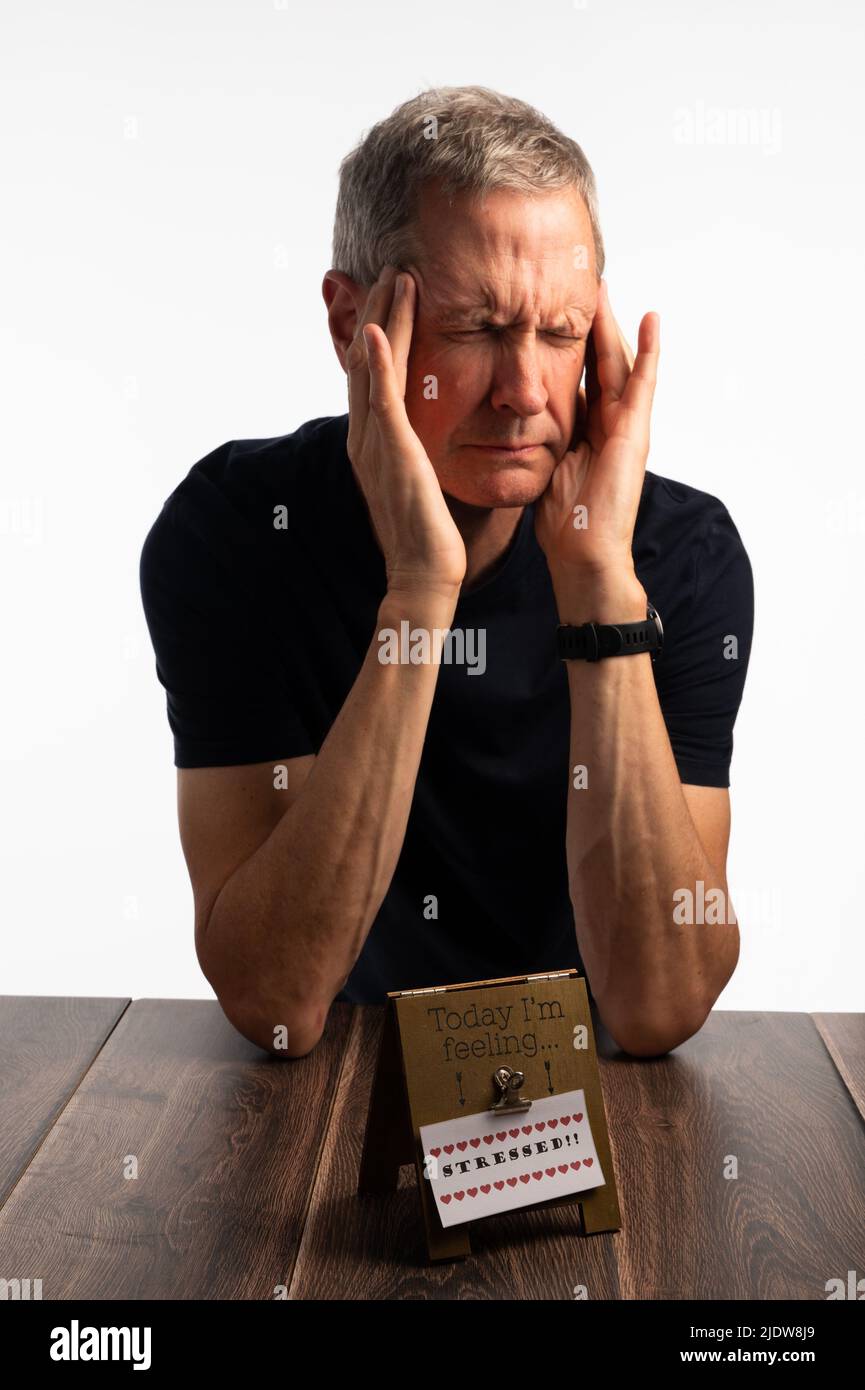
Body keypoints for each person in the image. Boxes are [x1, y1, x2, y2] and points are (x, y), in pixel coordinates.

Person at [139, 86, 753, 1060]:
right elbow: (275, 1000)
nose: (522, 395)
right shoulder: (233, 532)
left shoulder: (680, 554)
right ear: (352, 324)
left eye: (559, 334)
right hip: (326, 1091)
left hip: (586, 1108)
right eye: (474, 329)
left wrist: (597, 580)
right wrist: (421, 590)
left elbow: (654, 1007)